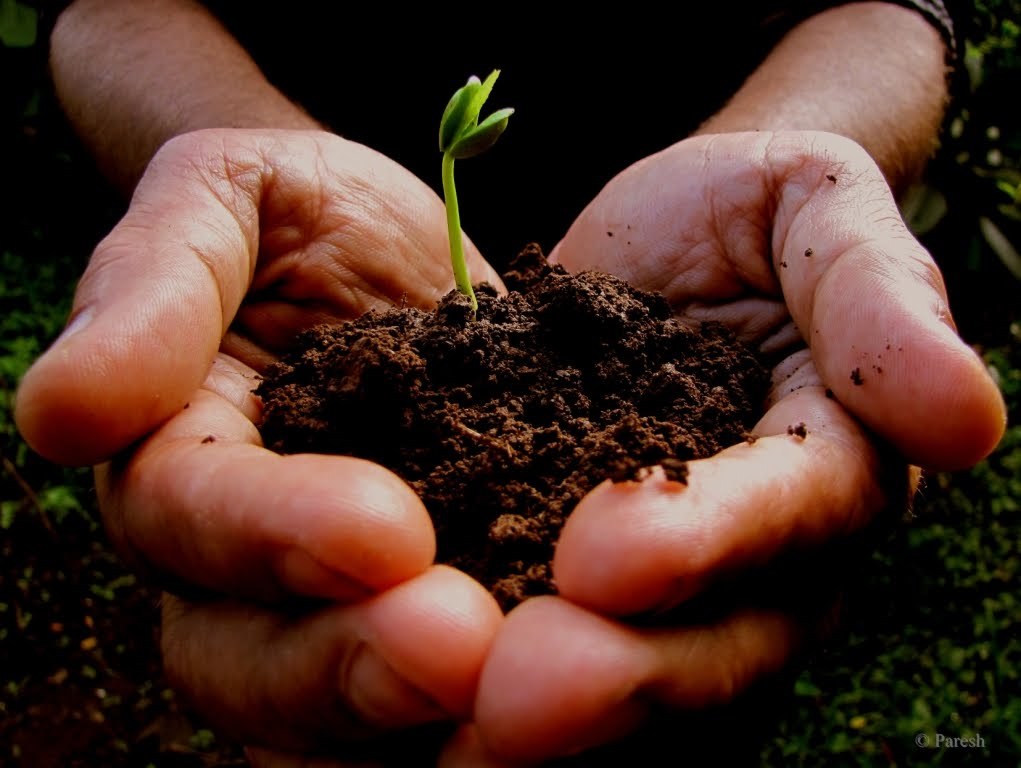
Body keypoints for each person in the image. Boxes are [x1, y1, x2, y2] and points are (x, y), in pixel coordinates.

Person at [14, 0, 1007, 765]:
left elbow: (892, 8)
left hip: (698, 294)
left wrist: (782, 165)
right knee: (404, 665)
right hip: (322, 287)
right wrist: (233, 154)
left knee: (644, 679)